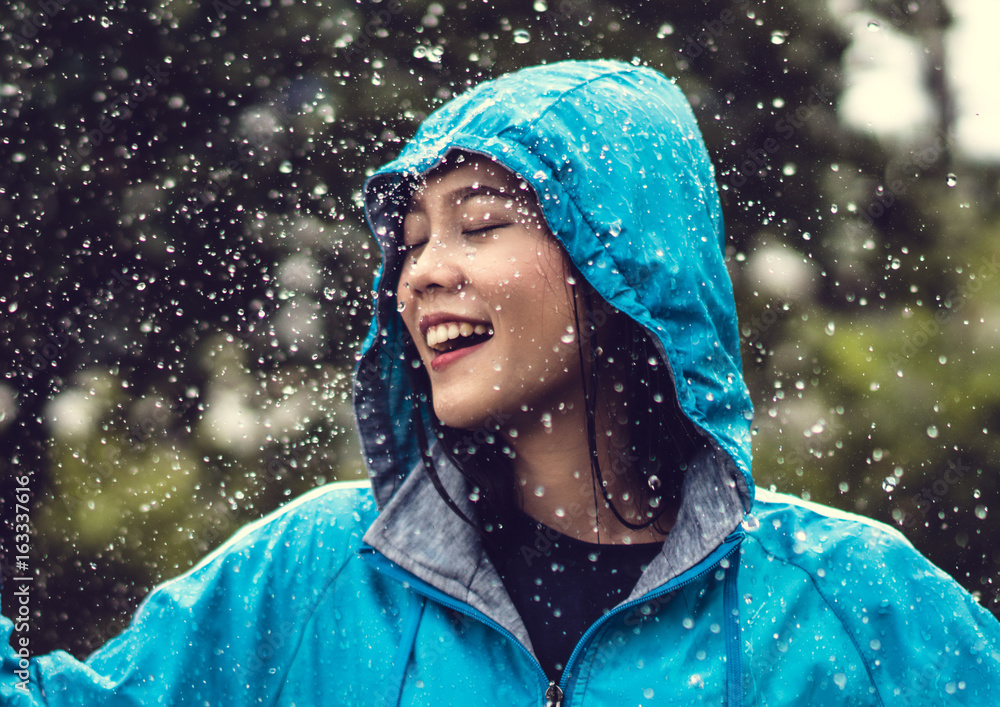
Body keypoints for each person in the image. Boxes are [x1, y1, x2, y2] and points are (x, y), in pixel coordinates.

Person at [3, 59, 999, 706]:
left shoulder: (857, 601)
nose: (420, 272)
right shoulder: (309, 571)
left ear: (625, 267)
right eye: (409, 239)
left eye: (481, 222)